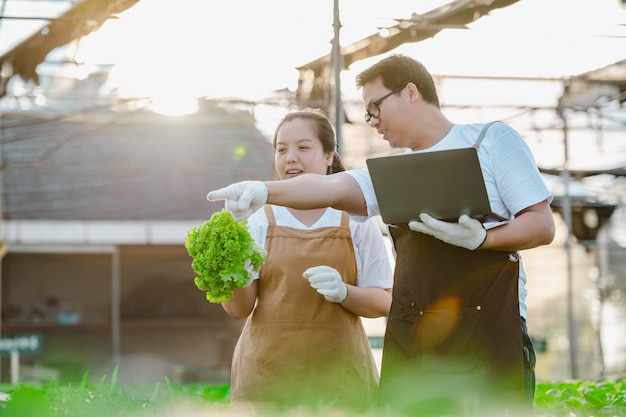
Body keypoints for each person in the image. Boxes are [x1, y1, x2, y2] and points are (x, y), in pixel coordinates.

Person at [208, 55, 555, 416]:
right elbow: (329, 188)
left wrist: (483, 239)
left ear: (409, 92)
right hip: (415, 339)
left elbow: (541, 225)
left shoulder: (489, 140)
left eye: (375, 108)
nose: (372, 122)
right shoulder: (391, 176)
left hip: (488, 332)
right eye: (367, 114)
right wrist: (263, 190)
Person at [220, 108, 393, 412]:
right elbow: (239, 309)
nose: (290, 158)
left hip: (341, 377)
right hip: (266, 376)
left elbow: (385, 302)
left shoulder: (357, 220)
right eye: (281, 149)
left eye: (303, 147)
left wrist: (345, 293)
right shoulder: (257, 219)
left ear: (329, 155)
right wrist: (234, 268)